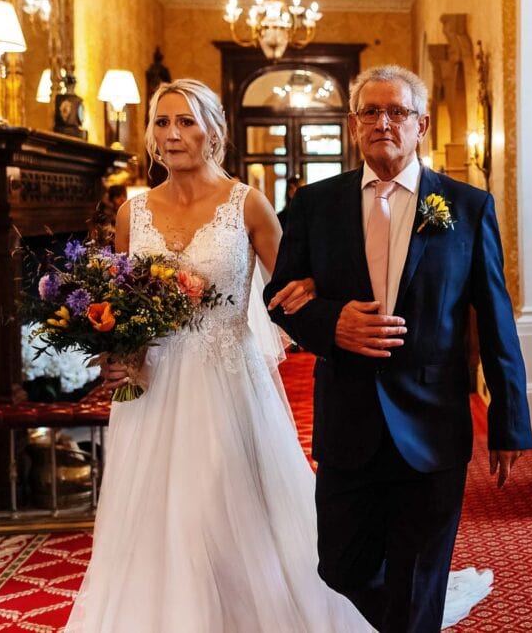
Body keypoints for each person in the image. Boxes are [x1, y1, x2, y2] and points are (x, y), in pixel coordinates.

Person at [66, 78, 365, 632]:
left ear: (212, 131)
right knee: (157, 515)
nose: (173, 134)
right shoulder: (133, 213)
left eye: (186, 121)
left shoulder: (245, 204)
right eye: (162, 122)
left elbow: (294, 291)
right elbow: (119, 300)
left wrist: (343, 329)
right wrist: (116, 351)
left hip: (227, 380)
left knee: (221, 506)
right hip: (152, 387)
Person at [263, 65, 532, 633]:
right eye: (370, 111)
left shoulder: (467, 207)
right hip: (347, 416)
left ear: (422, 125)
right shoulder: (315, 204)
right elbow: (279, 296)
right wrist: (331, 321)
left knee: (418, 581)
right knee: (340, 565)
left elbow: (495, 318)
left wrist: (510, 420)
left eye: (397, 112)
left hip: (434, 421)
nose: (383, 122)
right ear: (353, 123)